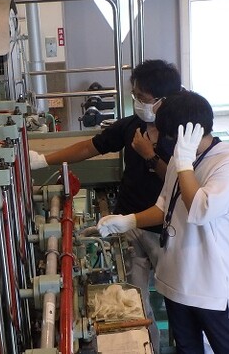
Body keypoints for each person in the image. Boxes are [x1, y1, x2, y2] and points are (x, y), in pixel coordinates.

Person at [30, 59, 182, 352]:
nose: (137, 102)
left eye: (142, 97)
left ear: (163, 99)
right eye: (135, 95)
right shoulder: (133, 126)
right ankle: (148, 347)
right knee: (135, 302)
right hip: (129, 224)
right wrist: (43, 160)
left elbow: (178, 183)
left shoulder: (179, 135)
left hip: (167, 230)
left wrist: (149, 155)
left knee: (178, 301)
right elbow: (91, 146)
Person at [97, 91, 229, 354]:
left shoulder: (227, 161)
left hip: (209, 285)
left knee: (228, 348)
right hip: (176, 280)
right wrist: (129, 221)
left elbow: (200, 209)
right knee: (187, 348)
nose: (161, 140)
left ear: (186, 132)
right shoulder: (182, 159)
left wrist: (185, 164)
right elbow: (164, 206)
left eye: (168, 135)